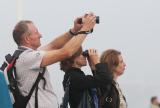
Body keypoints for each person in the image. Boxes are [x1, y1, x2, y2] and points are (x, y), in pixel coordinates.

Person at [12, 13, 96, 108]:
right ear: (27, 38)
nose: (41, 35)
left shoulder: (27, 56)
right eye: (36, 32)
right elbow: (67, 52)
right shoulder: (28, 58)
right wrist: (85, 29)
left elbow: (53, 46)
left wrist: (74, 30)